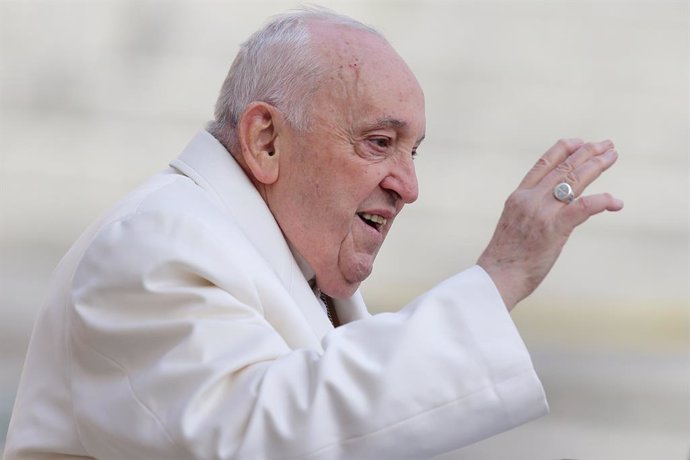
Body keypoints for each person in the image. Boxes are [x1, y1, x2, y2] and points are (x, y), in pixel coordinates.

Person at [3, 6, 623, 460]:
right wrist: (502, 276)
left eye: (414, 152)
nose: (408, 185)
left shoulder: (279, 254)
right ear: (266, 140)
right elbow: (252, 438)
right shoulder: (154, 245)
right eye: (379, 143)